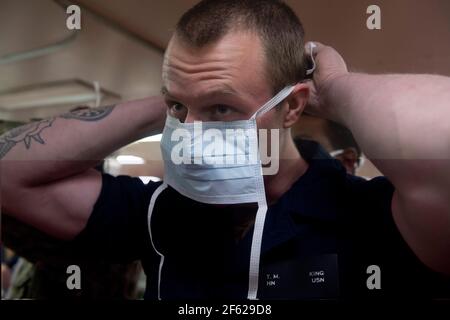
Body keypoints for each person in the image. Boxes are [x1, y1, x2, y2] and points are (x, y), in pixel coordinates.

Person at [1, 0, 449, 300]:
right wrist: (176, 101)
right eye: (178, 106)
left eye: (221, 107)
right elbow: (9, 175)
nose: (190, 133)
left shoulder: (373, 216)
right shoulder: (161, 210)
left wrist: (334, 88)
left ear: (291, 105)